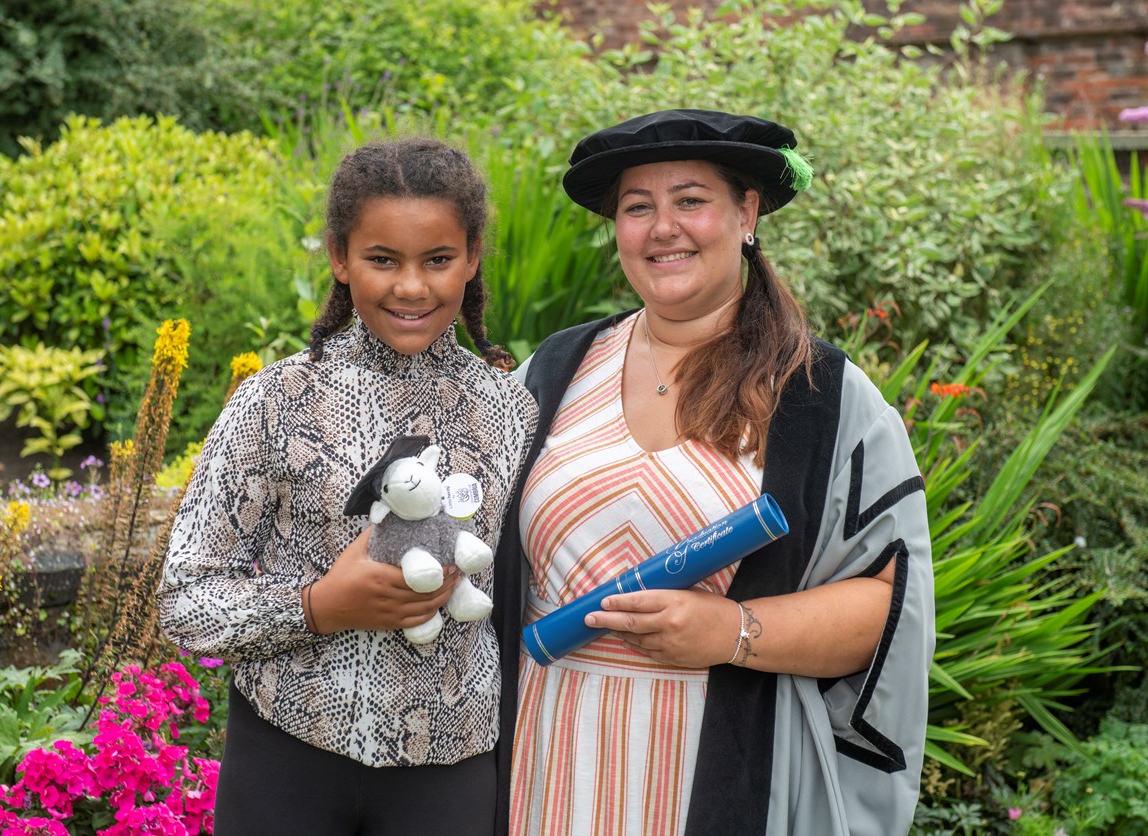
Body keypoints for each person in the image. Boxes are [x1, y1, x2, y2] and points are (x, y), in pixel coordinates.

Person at [492, 110, 935, 835]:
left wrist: (733, 628)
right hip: (544, 758)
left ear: (747, 211)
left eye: (690, 200)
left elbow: (890, 603)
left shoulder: (820, 396)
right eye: (638, 208)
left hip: (723, 767)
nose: (663, 227)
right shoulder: (555, 369)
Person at [158, 137, 538, 836]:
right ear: (340, 256)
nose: (412, 286)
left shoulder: (512, 410)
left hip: (449, 770)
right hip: (287, 756)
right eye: (382, 260)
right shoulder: (275, 402)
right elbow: (184, 600)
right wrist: (319, 606)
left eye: (438, 260)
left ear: (473, 256)